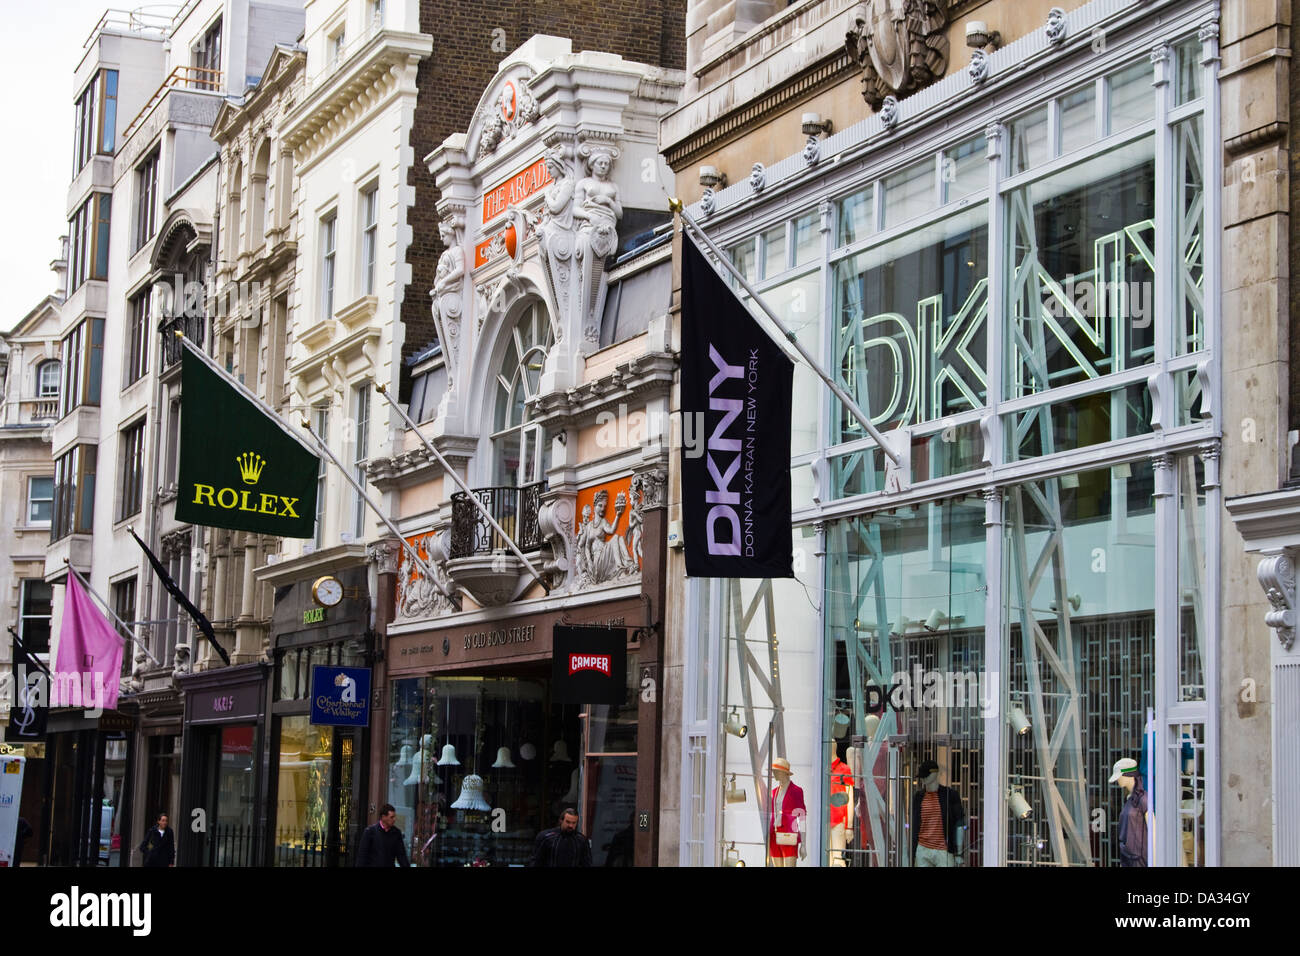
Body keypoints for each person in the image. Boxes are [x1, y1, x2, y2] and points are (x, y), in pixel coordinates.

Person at [910, 759, 965, 867]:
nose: (923, 778)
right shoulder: (918, 797)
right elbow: (915, 825)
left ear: (935, 773)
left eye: (926, 775)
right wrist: (913, 851)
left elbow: (959, 823)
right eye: (922, 776)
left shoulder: (950, 795)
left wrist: (958, 852)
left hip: (943, 850)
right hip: (922, 848)